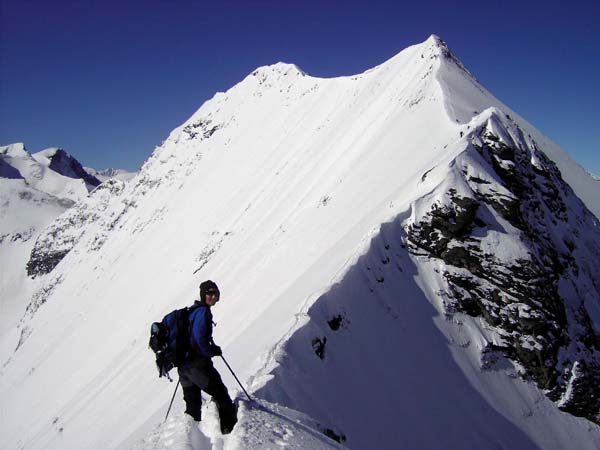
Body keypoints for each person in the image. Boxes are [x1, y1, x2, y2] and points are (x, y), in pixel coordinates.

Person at [178, 280, 237, 434]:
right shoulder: (204, 312)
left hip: (183, 366)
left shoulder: (192, 310)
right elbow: (199, 338)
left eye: (215, 293)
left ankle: (191, 440)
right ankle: (229, 432)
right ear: (203, 294)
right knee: (221, 394)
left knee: (192, 408)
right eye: (209, 293)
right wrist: (211, 351)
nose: (213, 296)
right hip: (197, 365)